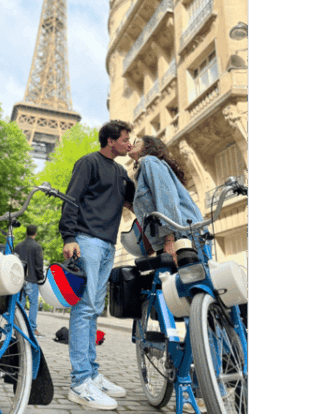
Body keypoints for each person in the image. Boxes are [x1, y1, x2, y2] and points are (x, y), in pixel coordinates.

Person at [58, 119, 135, 411]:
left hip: (107, 244)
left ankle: (92, 374)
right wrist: (69, 236)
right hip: (86, 240)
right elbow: (71, 199)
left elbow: (133, 200)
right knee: (85, 308)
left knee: (93, 310)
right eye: (126, 139)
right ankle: (80, 383)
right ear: (111, 140)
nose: (129, 143)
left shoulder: (120, 172)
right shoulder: (88, 162)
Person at [128, 136, 209, 266]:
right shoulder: (144, 169)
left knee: (195, 280)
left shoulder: (149, 161)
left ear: (148, 147)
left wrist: (170, 239)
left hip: (181, 236)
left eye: (137, 142)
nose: (132, 144)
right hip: (175, 235)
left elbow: (166, 199)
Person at [14, 224, 44, 336]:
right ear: (35, 233)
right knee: (33, 304)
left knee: (19, 305)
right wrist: (41, 278)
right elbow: (38, 265)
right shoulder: (37, 247)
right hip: (32, 279)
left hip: (19, 280)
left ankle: (18, 327)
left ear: (26, 232)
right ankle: (32, 328)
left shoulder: (18, 246)